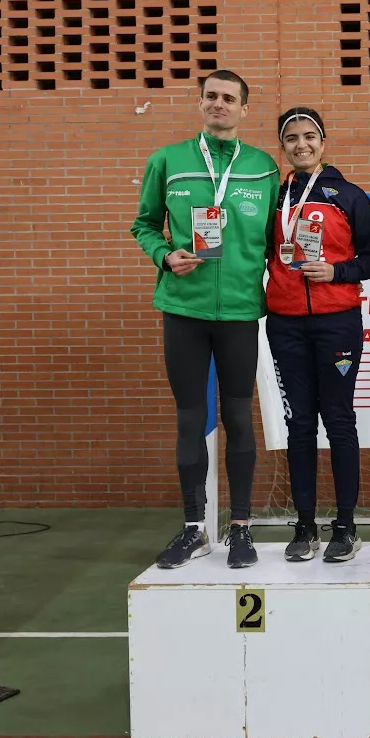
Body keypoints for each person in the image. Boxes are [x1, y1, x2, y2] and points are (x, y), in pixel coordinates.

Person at [131, 70, 280, 570]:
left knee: (239, 419)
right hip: (184, 310)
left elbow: (279, 239)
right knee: (191, 419)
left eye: (229, 98)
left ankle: (240, 528)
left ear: (244, 109)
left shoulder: (262, 168)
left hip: (240, 311)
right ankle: (194, 527)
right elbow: (145, 224)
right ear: (200, 103)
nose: (219, 104)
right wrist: (164, 254)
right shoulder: (167, 161)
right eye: (211, 97)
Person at [265, 107, 370, 563]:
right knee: (299, 425)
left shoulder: (347, 195)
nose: (301, 144)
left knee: (338, 421)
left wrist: (336, 271)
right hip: (286, 324)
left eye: (309, 136)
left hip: (338, 323)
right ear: (284, 146)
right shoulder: (276, 198)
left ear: (323, 141)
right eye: (291, 138)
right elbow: (262, 255)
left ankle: (346, 525)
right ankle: (304, 524)